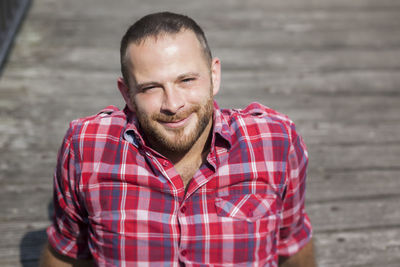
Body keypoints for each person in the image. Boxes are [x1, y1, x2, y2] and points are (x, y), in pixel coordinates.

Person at [40, 12, 315, 267]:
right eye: (150, 87)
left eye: (186, 80)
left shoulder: (275, 142)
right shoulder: (86, 147)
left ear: (214, 75)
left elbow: (292, 244)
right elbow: (65, 251)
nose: (173, 104)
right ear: (127, 94)